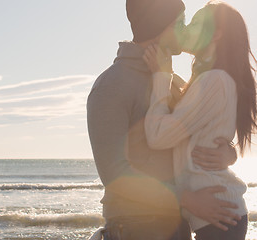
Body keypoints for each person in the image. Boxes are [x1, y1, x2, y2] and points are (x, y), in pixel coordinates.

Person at [86, 0, 243, 239]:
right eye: (180, 22)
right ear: (159, 26)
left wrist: (228, 152)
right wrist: (187, 199)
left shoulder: (172, 81)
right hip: (136, 227)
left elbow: (197, 132)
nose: (185, 29)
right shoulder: (111, 86)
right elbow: (115, 174)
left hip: (178, 225)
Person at [142, 1, 257, 240]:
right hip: (218, 214)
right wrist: (230, 151)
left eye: (195, 23)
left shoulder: (214, 81)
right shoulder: (210, 79)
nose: (187, 28)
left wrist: (161, 75)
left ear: (216, 34)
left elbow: (158, 136)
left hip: (219, 215)